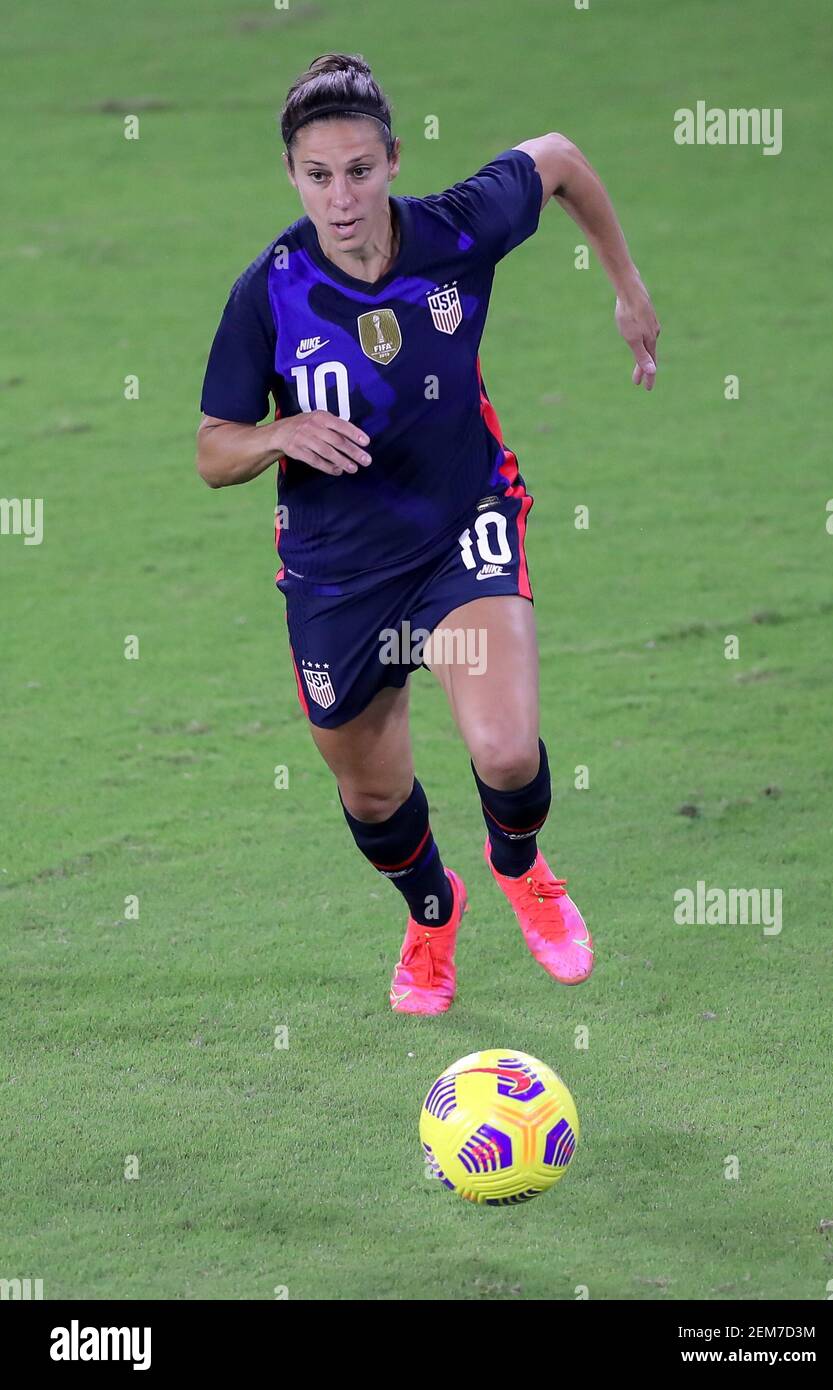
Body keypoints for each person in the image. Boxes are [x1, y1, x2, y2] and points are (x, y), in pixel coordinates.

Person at [197, 52, 660, 1015]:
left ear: (394, 160)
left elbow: (562, 158)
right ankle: (431, 911)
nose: (342, 197)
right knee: (371, 796)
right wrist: (278, 432)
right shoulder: (268, 293)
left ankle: (523, 869)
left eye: (359, 170)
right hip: (337, 573)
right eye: (318, 176)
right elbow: (213, 451)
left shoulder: (456, 228)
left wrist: (627, 286)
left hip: (462, 524)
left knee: (505, 751)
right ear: (292, 175)